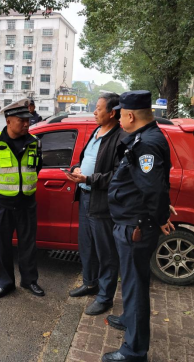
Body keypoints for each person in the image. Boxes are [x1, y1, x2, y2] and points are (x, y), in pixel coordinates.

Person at [102, 90, 175, 362]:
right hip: (132, 222)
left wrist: (160, 217)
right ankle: (129, 319)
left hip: (136, 226)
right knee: (132, 281)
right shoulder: (145, 137)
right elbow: (152, 183)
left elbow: (153, 189)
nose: (119, 120)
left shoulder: (146, 144)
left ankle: (134, 351)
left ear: (131, 116)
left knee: (135, 286)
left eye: (121, 115)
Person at [64, 93, 127, 315]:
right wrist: (77, 169)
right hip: (85, 197)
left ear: (112, 113)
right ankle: (89, 283)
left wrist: (89, 179)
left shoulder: (121, 138)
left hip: (102, 201)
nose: (94, 111)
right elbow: (88, 159)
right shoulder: (96, 131)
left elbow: (119, 175)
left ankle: (105, 297)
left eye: (99, 108)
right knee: (87, 245)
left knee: (106, 251)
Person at [0, 98, 44, 299]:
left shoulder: (35, 142)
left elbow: (37, 168)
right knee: (2, 246)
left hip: (27, 203)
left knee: (28, 245)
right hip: (2, 204)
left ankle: (29, 281)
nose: (26, 124)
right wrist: (0, 191)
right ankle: (5, 283)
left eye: (28, 120)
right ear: (8, 120)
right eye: (22, 120)